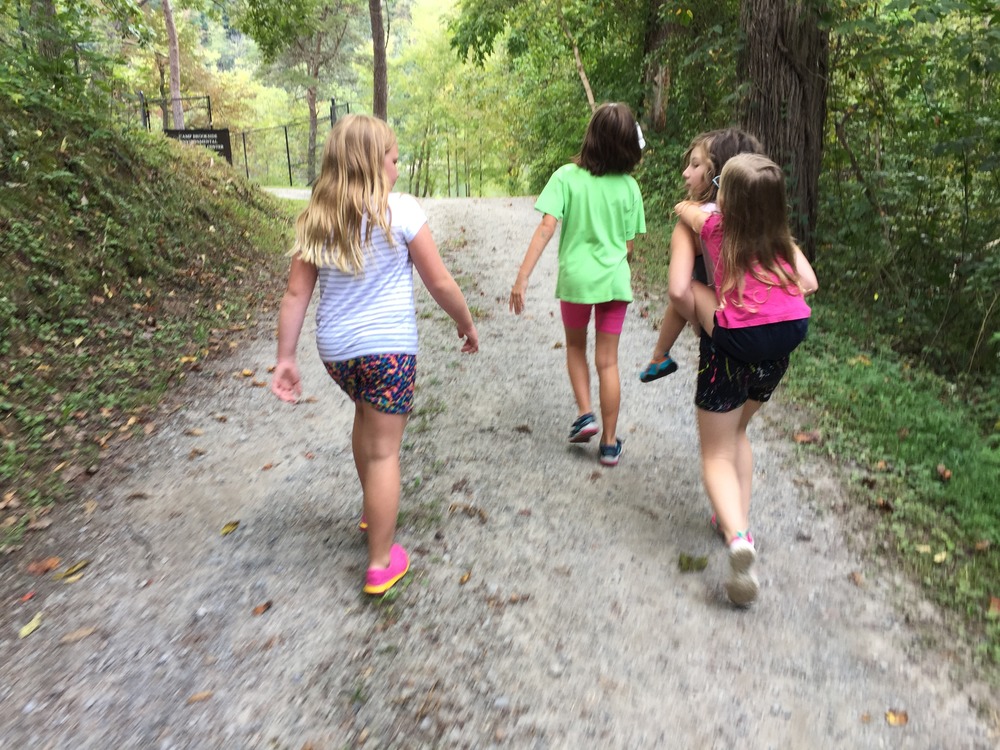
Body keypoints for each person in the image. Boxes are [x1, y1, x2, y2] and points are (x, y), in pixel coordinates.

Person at [270, 114, 479, 596]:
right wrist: (465, 322)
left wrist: (286, 357)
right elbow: (439, 281)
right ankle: (382, 562)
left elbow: (295, 296)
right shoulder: (400, 210)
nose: (399, 170)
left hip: (338, 354)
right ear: (372, 163)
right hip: (388, 351)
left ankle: (372, 510)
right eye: (394, 159)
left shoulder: (317, 218)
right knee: (385, 450)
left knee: (366, 423)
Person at [674, 153, 818, 606]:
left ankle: (739, 540)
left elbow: (690, 212)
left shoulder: (718, 229)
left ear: (727, 199)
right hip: (783, 342)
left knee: (716, 451)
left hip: (735, 342)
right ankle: (738, 521)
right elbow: (809, 283)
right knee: (737, 432)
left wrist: (686, 208)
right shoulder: (782, 242)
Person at [509, 102, 646, 466]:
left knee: (575, 348)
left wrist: (522, 278)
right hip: (614, 283)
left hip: (576, 281)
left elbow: (546, 227)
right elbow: (629, 245)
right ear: (629, 145)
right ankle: (610, 443)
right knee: (608, 362)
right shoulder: (630, 187)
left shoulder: (566, 177)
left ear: (591, 137)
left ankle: (586, 413)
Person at [640, 128, 764, 383]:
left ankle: (659, 355)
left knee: (689, 287)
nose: (685, 173)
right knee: (740, 424)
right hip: (770, 336)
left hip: (726, 332)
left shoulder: (692, 221)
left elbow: (678, 291)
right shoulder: (762, 218)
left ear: (718, 173)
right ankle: (659, 355)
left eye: (695, 165)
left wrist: (700, 326)